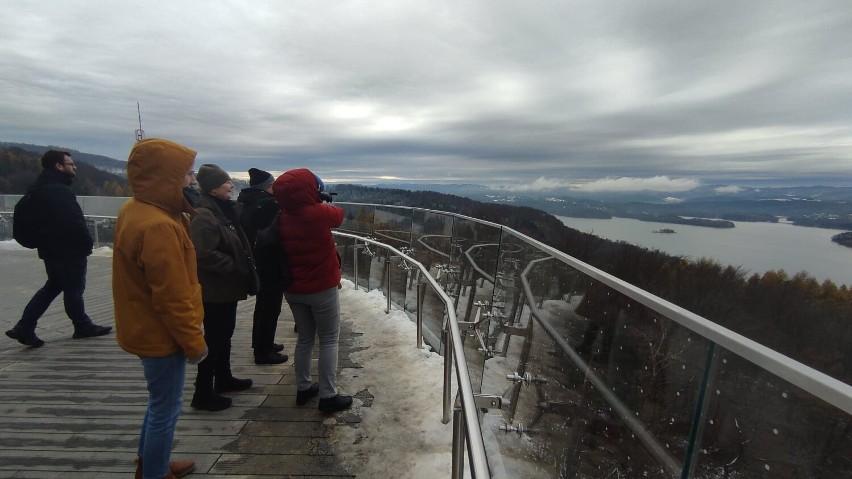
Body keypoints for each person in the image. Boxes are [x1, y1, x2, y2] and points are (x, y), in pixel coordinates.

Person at [112, 138, 206, 479]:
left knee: (158, 405)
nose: (193, 181)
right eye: (188, 174)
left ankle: (150, 464)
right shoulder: (159, 226)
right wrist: (193, 342)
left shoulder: (134, 210)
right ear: (166, 176)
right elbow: (172, 297)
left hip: (142, 326)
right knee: (166, 409)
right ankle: (153, 473)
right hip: (161, 336)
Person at [5, 150, 112, 348]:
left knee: (53, 286)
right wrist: (86, 242)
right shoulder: (59, 191)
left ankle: (25, 326)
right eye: (70, 164)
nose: (74, 167)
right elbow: (72, 222)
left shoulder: (38, 188)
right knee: (74, 289)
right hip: (69, 250)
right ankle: (82, 326)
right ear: (59, 166)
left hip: (50, 250)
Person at [273, 168, 352, 413]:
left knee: (305, 339)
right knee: (328, 339)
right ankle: (328, 396)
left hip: (293, 289)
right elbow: (339, 215)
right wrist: (320, 198)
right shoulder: (317, 213)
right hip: (321, 287)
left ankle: (303, 387)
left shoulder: (281, 215)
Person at [190, 164, 255, 411]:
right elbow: (202, 253)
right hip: (214, 290)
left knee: (224, 334)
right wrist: (234, 263)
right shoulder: (205, 215)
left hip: (224, 289)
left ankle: (224, 378)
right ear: (214, 188)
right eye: (226, 183)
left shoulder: (219, 210)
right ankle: (203, 391)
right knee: (215, 338)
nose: (231, 186)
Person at [236, 168, 288, 365]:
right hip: (269, 260)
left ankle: (261, 343)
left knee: (262, 305)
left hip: (255, 259)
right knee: (270, 307)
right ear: (267, 187)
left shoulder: (246, 200)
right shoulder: (268, 205)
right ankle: (263, 351)